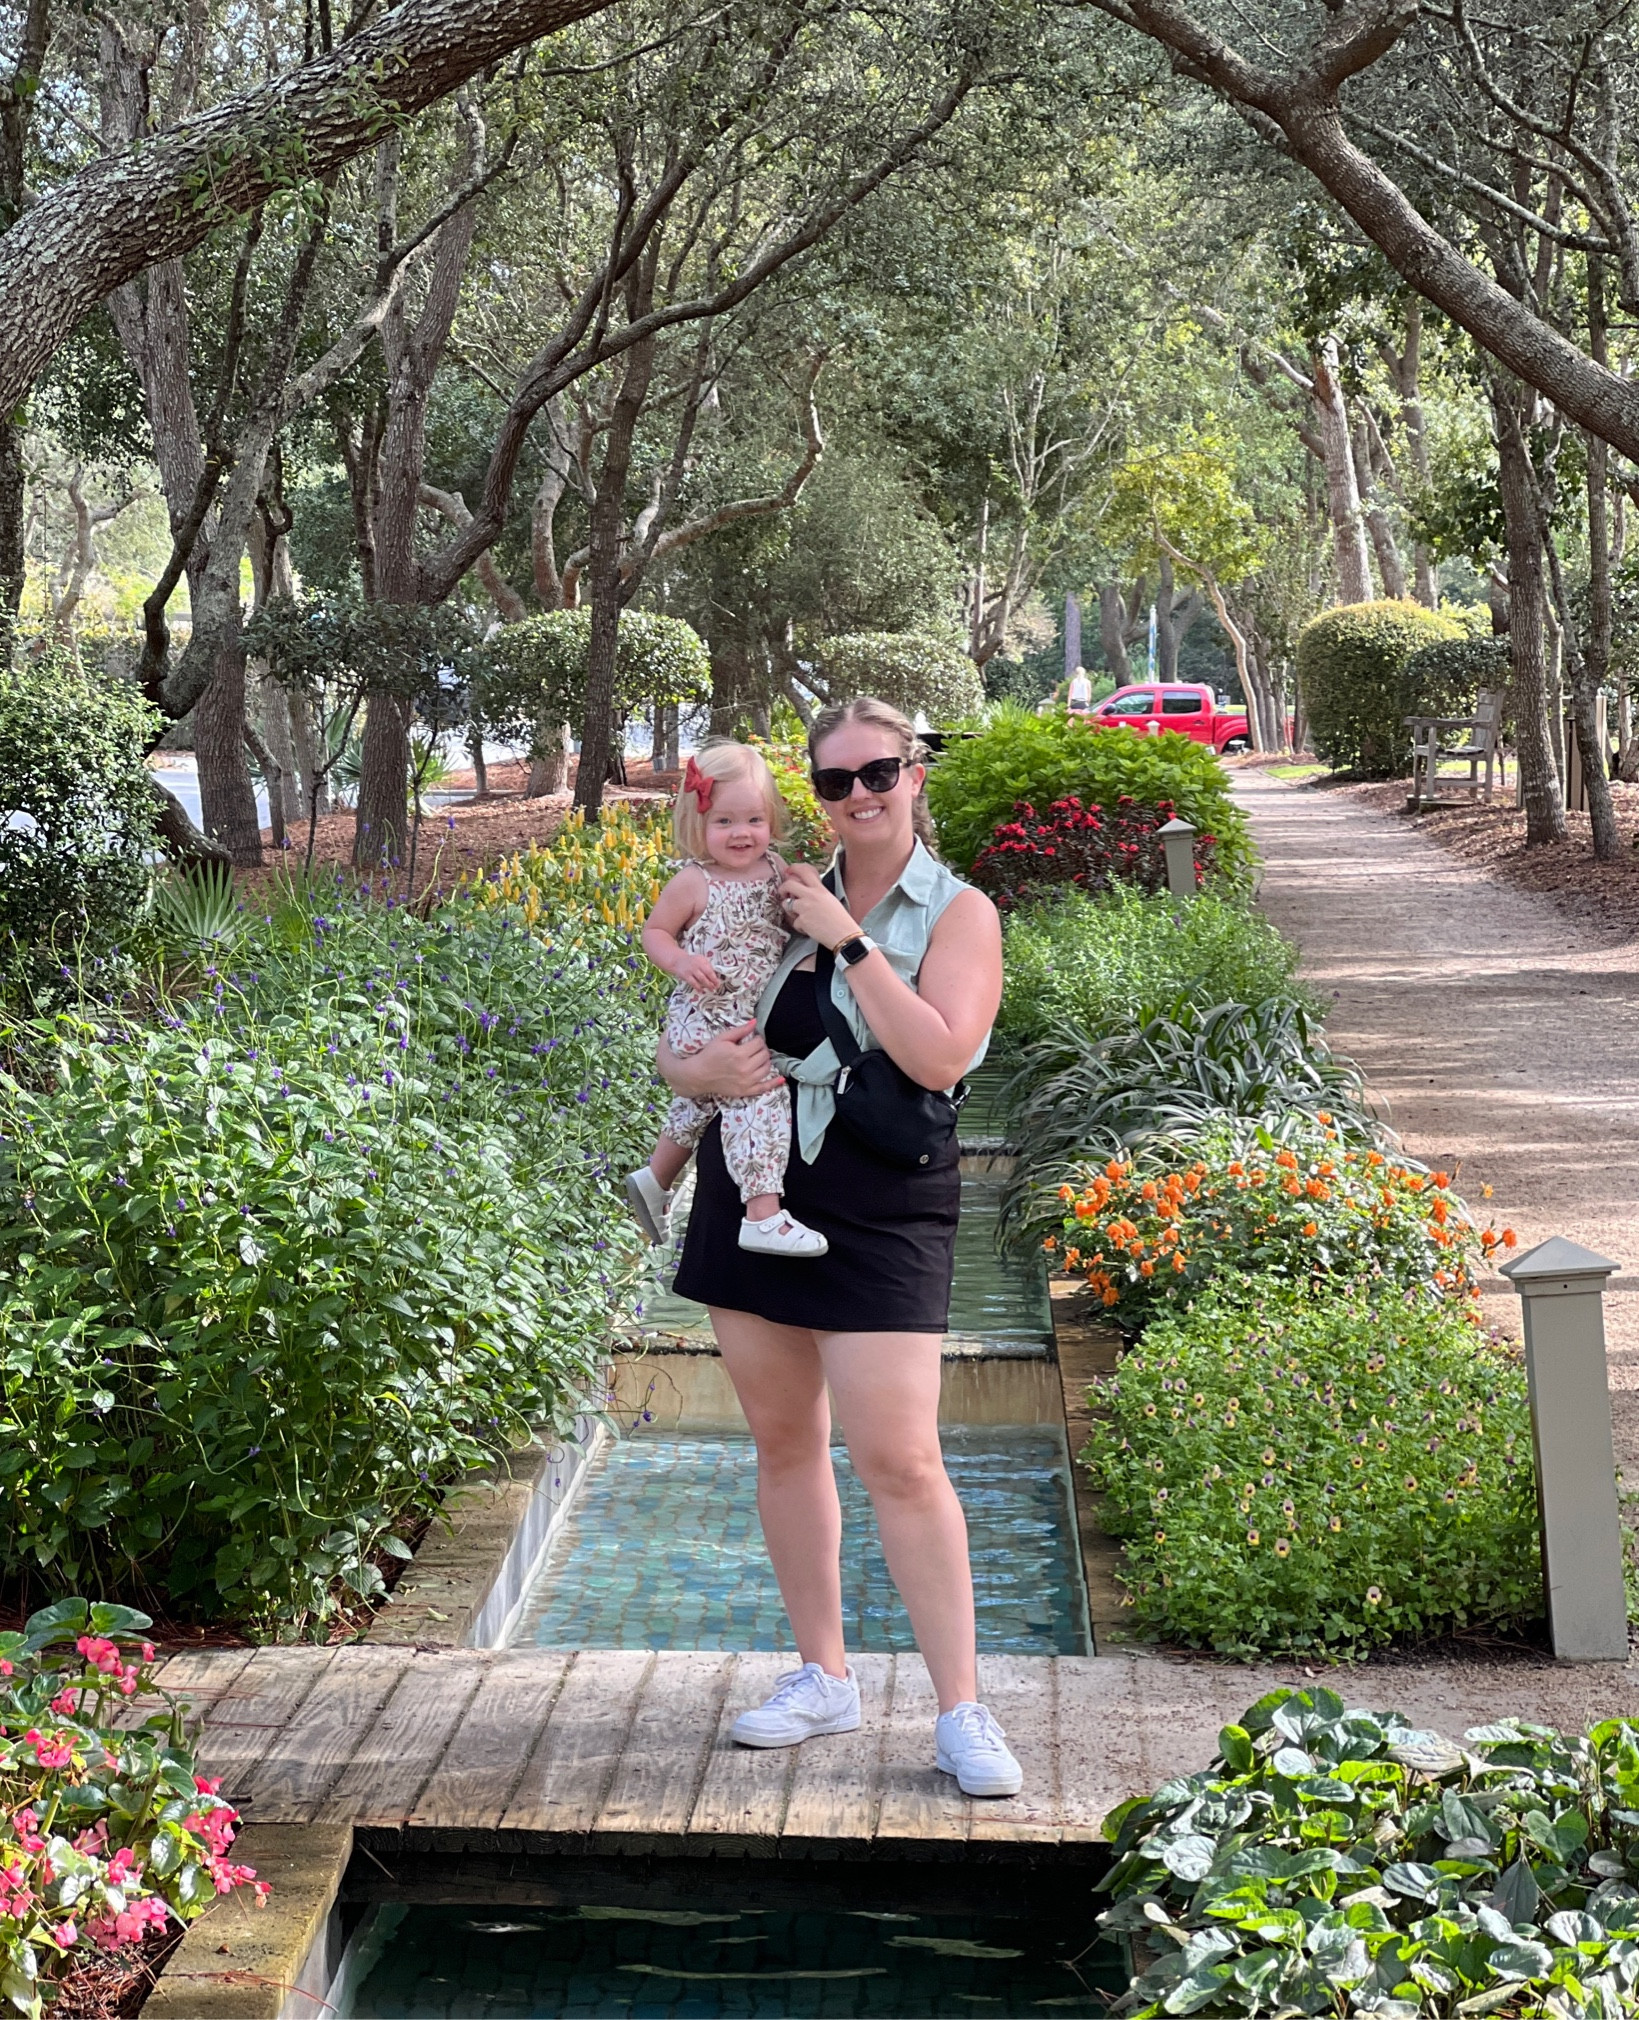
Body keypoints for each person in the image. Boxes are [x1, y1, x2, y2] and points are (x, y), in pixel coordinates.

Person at [658, 696, 1022, 1798]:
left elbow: (938, 1056)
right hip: (757, 1187)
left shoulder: (957, 912)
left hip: (883, 1198)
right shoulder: (763, 886)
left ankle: (960, 1709)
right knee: (783, 1443)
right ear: (813, 792)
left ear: (914, 774)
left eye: (878, 773)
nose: (858, 795)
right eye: (834, 780)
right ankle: (825, 1676)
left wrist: (848, 940)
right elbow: (689, 1032)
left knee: (901, 1461)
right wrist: (691, 1074)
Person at [626, 742, 828, 1259]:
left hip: (742, 1012)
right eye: (724, 821)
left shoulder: (775, 869)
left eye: (754, 820)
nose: (742, 833)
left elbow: (788, 920)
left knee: (699, 1100)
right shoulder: (694, 882)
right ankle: (762, 1213)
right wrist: (678, 961)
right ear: (699, 824)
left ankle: (655, 1178)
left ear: (772, 820)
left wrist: (804, 899)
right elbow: (655, 932)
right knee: (757, 1093)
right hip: (707, 1013)